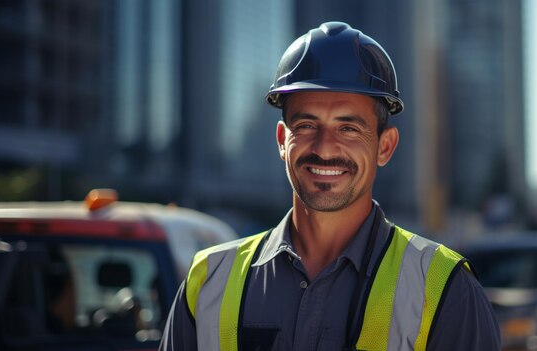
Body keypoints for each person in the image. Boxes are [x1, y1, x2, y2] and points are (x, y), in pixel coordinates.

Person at [159, 21, 501, 351]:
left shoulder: (444, 289)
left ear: (385, 146)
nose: (324, 148)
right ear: (282, 140)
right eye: (307, 125)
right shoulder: (207, 282)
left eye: (348, 129)